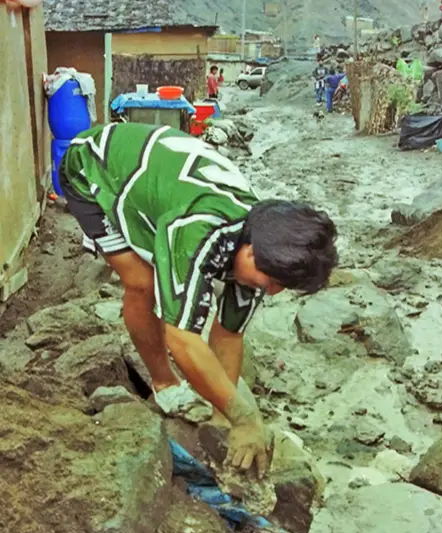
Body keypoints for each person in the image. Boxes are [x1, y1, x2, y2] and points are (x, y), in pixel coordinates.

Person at [58, 122, 339, 478]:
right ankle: (164, 385)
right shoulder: (198, 231)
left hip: (163, 187)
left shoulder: (266, 245)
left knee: (174, 282)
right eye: (272, 283)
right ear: (250, 253)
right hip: (93, 166)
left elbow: (229, 334)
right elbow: (183, 338)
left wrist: (223, 417)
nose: (273, 292)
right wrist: (244, 415)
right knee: (143, 282)